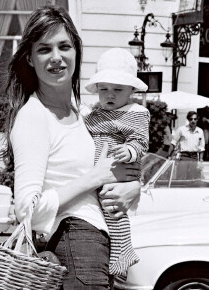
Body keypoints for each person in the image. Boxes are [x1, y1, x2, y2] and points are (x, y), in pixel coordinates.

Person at [3, 4, 141, 290]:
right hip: (75, 240)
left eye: (64, 46)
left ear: (76, 51)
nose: (56, 58)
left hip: (99, 244)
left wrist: (132, 189)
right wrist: (94, 178)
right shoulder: (33, 116)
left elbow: (114, 171)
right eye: (44, 49)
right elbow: (26, 210)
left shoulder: (84, 113)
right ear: (29, 58)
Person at [85, 48, 150, 277]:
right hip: (96, 172)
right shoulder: (93, 112)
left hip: (117, 168)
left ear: (131, 90)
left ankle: (123, 251)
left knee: (114, 209)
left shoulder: (135, 113)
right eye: (103, 89)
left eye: (117, 89)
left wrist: (130, 150)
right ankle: (117, 252)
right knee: (103, 212)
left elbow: (141, 140)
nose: (109, 95)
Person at [168, 111, 205, 179]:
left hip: (194, 157)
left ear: (197, 119)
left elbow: (201, 147)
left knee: (192, 179)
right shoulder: (181, 129)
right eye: (191, 119)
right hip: (183, 156)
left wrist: (201, 160)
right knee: (181, 178)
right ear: (188, 119)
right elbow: (173, 143)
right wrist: (169, 156)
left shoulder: (200, 131)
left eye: (195, 119)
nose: (193, 121)